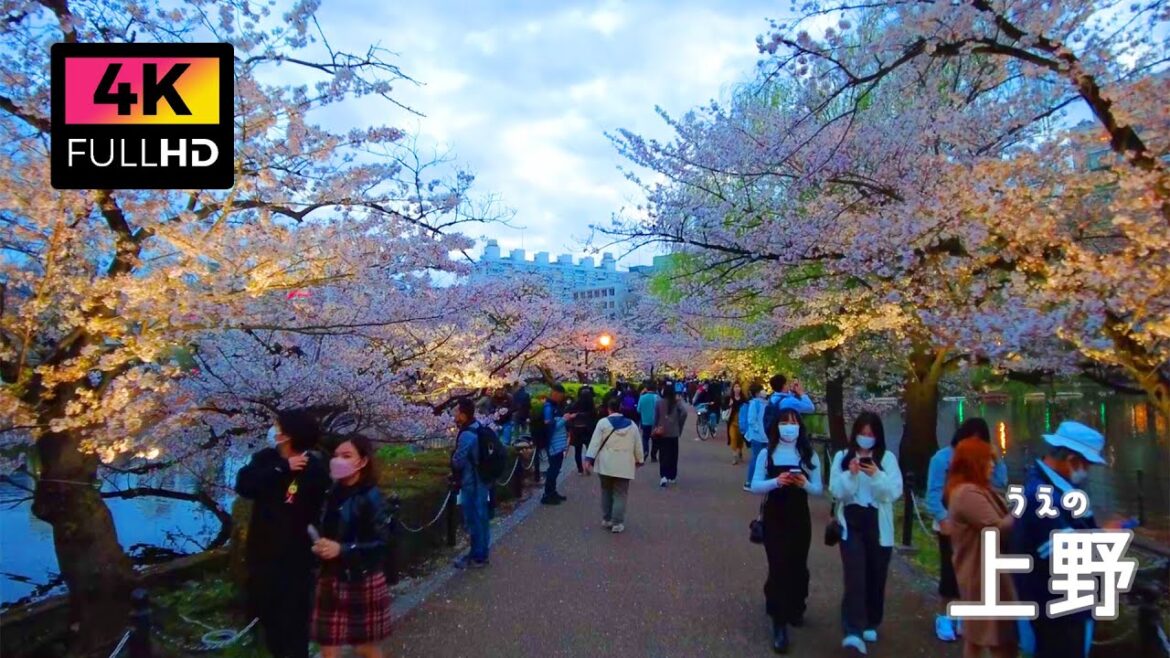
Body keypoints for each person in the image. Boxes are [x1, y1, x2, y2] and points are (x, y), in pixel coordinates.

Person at [1011, 421, 1113, 658]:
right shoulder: (1042, 496)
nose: (1087, 471)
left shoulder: (1056, 491)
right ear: (1071, 460)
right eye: (1086, 464)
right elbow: (1063, 554)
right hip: (1056, 611)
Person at [235, 409, 330, 658]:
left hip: (295, 560)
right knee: (270, 624)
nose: (273, 431)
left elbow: (301, 505)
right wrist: (282, 468)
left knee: (295, 626)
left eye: (278, 427)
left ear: (289, 435)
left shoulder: (314, 468)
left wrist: (291, 476)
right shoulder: (266, 459)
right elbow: (245, 485)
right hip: (261, 556)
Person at [925, 418, 1009, 642]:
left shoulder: (985, 460)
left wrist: (996, 459)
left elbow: (1000, 483)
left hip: (978, 524)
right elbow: (932, 494)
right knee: (950, 573)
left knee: (974, 574)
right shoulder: (942, 459)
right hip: (951, 526)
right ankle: (944, 616)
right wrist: (943, 520)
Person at [750, 401, 823, 653]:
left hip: (799, 516)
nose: (789, 427)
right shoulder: (766, 453)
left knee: (798, 565)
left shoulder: (808, 454)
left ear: (799, 427)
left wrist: (803, 483)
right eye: (784, 422)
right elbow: (755, 485)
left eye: (793, 422)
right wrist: (776, 481)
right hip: (774, 516)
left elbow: (818, 489)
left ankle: (796, 605)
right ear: (776, 426)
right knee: (778, 565)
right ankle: (779, 623)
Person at [310, 435, 392, 657]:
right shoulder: (332, 492)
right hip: (330, 575)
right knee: (328, 643)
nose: (338, 461)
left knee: (364, 646)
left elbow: (381, 543)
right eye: (336, 456)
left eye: (346, 456)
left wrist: (342, 550)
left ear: (362, 461)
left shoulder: (371, 497)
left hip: (360, 576)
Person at [829, 412, 903, 655]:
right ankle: (853, 629)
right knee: (855, 575)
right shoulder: (842, 457)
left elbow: (892, 492)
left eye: (871, 434)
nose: (866, 438)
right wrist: (850, 474)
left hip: (877, 524)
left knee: (876, 574)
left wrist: (876, 475)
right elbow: (837, 492)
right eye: (863, 433)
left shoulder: (887, 459)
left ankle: (871, 619)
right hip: (851, 523)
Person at [944, 437, 1018, 658]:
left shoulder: (977, 489)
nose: (993, 465)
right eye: (988, 461)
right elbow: (996, 527)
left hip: (981, 573)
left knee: (977, 637)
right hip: (982, 575)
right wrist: (1024, 510)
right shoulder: (967, 493)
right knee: (995, 638)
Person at [584, 396, 646, 533]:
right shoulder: (632, 425)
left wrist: (588, 459)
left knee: (606, 491)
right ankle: (617, 523)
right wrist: (639, 460)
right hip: (624, 464)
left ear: (608, 409)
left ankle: (607, 519)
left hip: (606, 463)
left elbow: (594, 442)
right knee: (620, 493)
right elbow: (638, 445)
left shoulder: (602, 423)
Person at [451, 397, 491, 567]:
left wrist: (452, 458)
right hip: (481, 479)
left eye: (457, 412)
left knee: (473, 518)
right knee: (481, 517)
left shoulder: (467, 434)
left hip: (472, 481)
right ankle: (481, 553)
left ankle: (477, 556)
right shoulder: (478, 427)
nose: (455, 415)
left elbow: (458, 460)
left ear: (463, 415)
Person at [652, 383, 687, 487]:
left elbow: (656, 418)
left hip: (662, 432)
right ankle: (672, 476)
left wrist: (655, 428)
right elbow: (684, 413)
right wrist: (679, 424)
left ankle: (663, 476)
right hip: (674, 432)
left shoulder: (659, 403)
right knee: (673, 455)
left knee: (663, 454)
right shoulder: (677, 402)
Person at [541, 384, 571, 504]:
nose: (561, 398)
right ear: (555, 393)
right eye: (560, 396)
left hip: (558, 443)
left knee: (556, 468)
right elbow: (550, 427)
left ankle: (552, 492)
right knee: (553, 469)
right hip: (553, 443)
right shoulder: (548, 407)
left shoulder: (554, 406)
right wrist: (564, 419)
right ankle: (547, 494)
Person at [742, 383, 769, 491]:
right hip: (757, 436)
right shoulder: (754, 404)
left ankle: (761, 480)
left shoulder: (766, 403)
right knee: (756, 458)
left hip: (766, 436)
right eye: (761, 390)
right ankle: (749, 481)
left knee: (765, 459)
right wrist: (759, 430)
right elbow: (751, 420)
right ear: (757, 393)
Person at [568, 386, 598, 475]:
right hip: (588, 429)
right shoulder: (591, 404)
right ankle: (588, 464)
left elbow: (570, 412)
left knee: (578, 450)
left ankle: (580, 469)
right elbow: (595, 416)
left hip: (577, 429)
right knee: (590, 448)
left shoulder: (576, 403)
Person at [637, 382, 660, 462]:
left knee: (645, 438)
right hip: (655, 422)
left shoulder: (642, 397)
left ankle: (645, 451)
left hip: (645, 421)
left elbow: (638, 410)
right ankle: (653, 455)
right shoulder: (657, 397)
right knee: (655, 439)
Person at [727, 382, 748, 465]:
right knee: (733, 438)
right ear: (733, 388)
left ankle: (739, 451)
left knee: (740, 440)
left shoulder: (744, 399)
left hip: (742, 423)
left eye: (738, 387)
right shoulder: (730, 398)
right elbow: (724, 407)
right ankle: (734, 456)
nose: (737, 388)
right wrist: (729, 405)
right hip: (732, 422)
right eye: (735, 387)